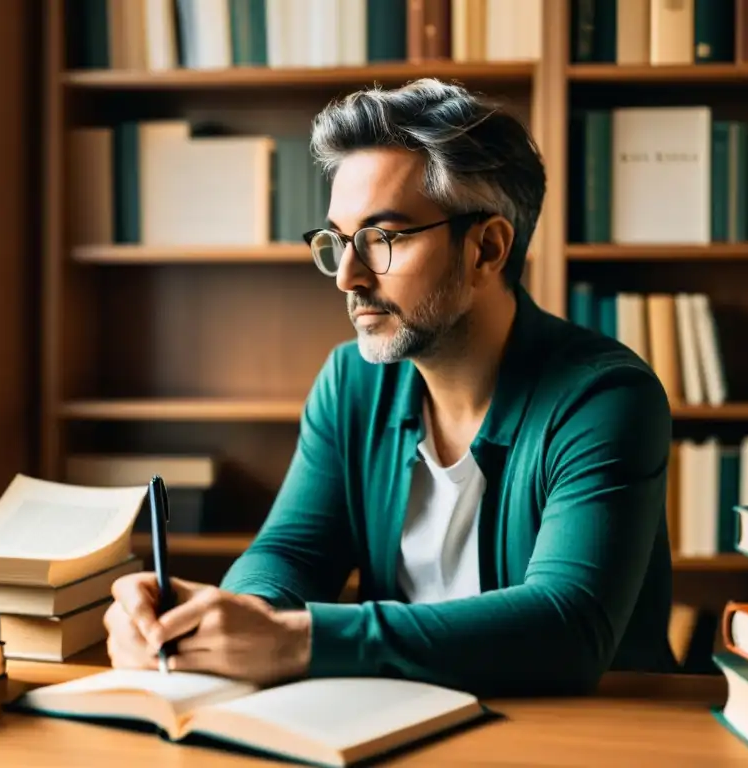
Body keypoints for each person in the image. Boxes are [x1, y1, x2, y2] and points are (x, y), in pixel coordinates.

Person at [104, 78, 676, 697]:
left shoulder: (604, 398)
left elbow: (569, 628)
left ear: (486, 248)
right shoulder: (350, 383)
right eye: (338, 241)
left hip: (594, 739)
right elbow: (292, 553)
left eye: (383, 239)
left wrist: (296, 640)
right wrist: (218, 622)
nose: (348, 276)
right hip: (398, 727)